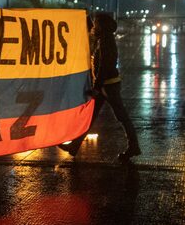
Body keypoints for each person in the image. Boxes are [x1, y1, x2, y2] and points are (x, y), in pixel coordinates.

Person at [59, 12, 141, 162]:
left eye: (96, 22)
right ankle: (74, 146)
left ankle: (134, 146)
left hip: (109, 86)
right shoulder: (103, 38)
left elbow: (105, 65)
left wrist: (97, 86)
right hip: (106, 85)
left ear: (102, 25)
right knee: (90, 116)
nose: (94, 25)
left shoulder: (106, 40)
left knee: (122, 116)